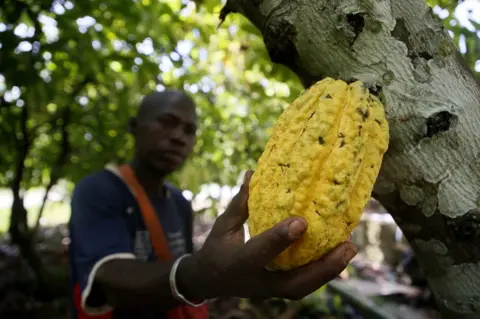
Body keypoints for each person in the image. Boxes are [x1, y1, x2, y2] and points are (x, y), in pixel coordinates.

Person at [67, 89, 357, 319]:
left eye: (189, 130)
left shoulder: (179, 203)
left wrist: (216, 276)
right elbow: (108, 281)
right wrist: (202, 277)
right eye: (167, 123)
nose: (179, 137)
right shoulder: (99, 189)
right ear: (135, 126)